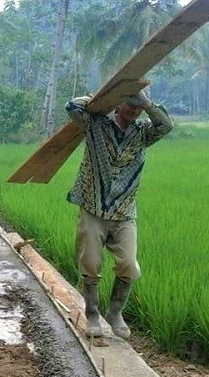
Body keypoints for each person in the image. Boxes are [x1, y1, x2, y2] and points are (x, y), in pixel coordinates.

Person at [65, 86, 174, 340]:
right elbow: (72, 107)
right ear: (118, 104)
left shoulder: (144, 133)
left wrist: (146, 102)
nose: (134, 110)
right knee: (90, 263)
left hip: (124, 211)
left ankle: (115, 313)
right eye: (130, 104)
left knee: (128, 264)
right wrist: (101, 98)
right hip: (94, 206)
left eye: (138, 106)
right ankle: (92, 314)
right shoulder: (95, 125)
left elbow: (166, 125)